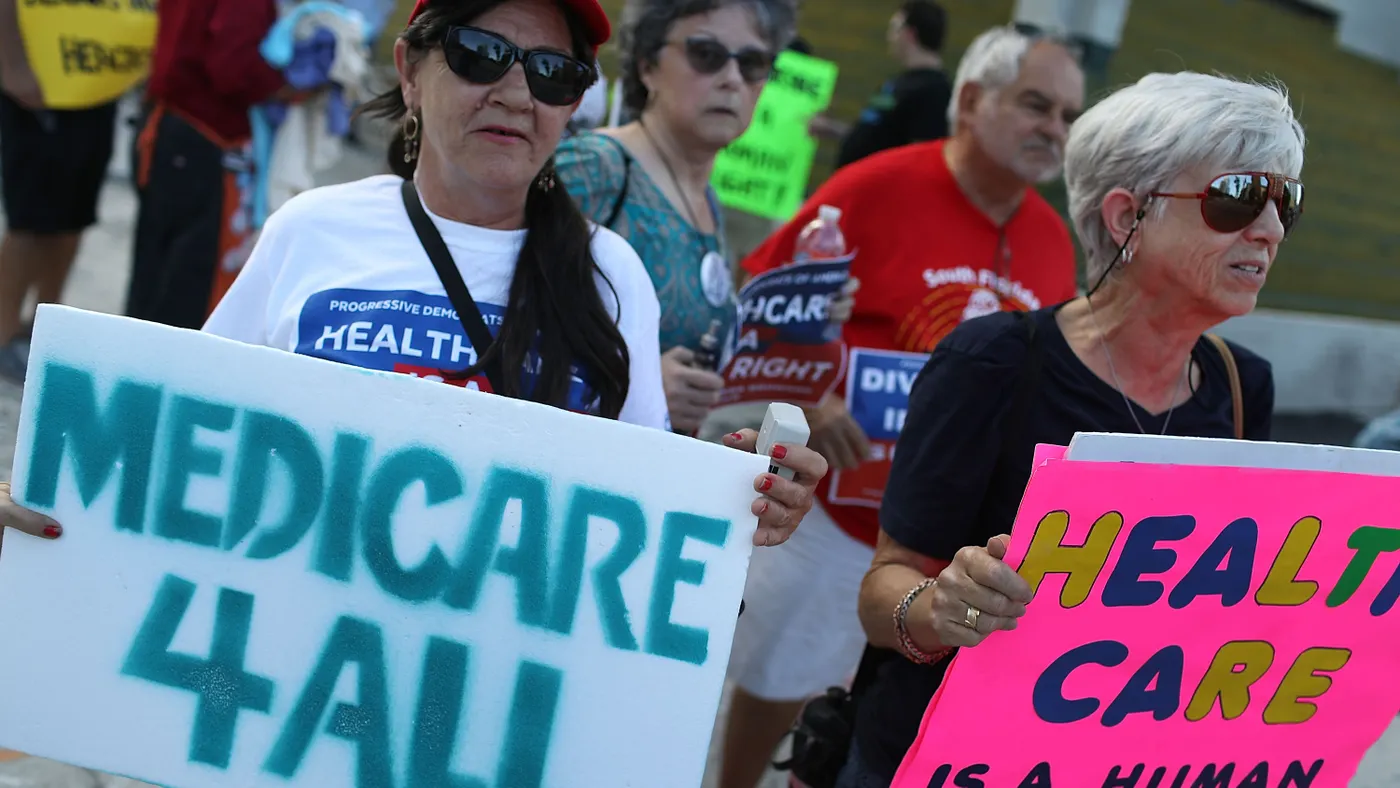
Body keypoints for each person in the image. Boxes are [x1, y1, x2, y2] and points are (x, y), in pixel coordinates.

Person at [0, 0, 829, 559]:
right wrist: (55, 484)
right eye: (480, 54)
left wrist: (740, 498)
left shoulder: (614, 276)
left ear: (577, 100)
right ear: (409, 70)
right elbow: (178, 441)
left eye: (552, 73)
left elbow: (636, 515)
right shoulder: (312, 230)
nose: (515, 91)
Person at [843, 70, 1299, 786]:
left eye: (1285, 202)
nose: (1269, 230)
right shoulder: (989, 362)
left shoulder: (1245, 388)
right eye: (1236, 198)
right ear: (1127, 217)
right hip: (937, 758)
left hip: (1110, 763)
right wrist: (943, 605)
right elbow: (881, 595)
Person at [714, 26, 1084, 788]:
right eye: (1037, 105)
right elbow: (759, 304)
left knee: (877, 722)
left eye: (1069, 116)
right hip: (837, 514)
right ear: (974, 101)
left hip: (951, 548)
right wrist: (812, 395)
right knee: (779, 681)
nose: (1055, 130)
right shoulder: (874, 186)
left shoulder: (1053, 240)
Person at [553, 0, 800, 436]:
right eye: (706, 54)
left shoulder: (707, 199)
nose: (731, 79)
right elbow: (507, 321)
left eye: (753, 63)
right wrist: (636, 381)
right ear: (647, 64)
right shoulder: (595, 168)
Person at [124, 0, 291, 332]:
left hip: (170, 128)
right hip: (201, 138)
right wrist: (290, 86)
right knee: (185, 288)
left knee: (155, 274)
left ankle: (135, 370)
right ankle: (159, 375)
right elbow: (231, 69)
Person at [0, 0, 121, 382]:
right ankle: (3, 336)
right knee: (30, 220)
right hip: (39, 80)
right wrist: (12, 65)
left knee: (74, 216)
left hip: (96, 83)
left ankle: (43, 330)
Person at [812, 1, 953, 170]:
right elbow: (879, 137)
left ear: (910, 33)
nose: (890, 36)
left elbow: (921, 157)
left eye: (894, 28)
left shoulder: (935, 91)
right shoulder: (901, 83)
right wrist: (833, 130)